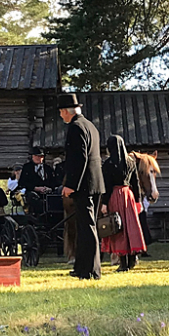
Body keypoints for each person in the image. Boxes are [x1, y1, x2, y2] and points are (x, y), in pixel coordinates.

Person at [59, 94, 105, 280]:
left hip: (84, 185)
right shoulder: (90, 126)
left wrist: (70, 185)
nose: (61, 116)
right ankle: (81, 266)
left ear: (65, 111)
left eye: (61, 112)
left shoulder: (75, 127)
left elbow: (79, 159)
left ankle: (91, 270)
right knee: (85, 226)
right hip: (95, 183)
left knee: (87, 227)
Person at [100, 135, 146, 272]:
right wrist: (138, 201)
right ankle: (132, 260)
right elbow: (135, 183)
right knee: (131, 227)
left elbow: (107, 186)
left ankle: (123, 263)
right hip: (129, 196)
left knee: (118, 228)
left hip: (115, 196)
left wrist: (104, 203)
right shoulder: (131, 162)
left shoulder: (108, 164)